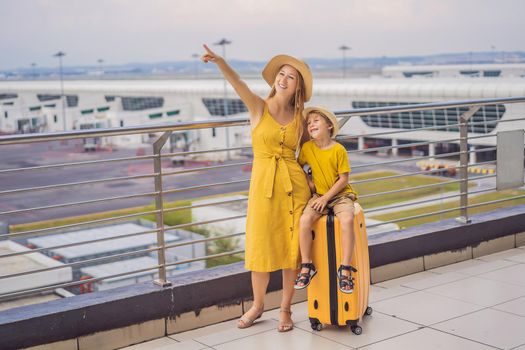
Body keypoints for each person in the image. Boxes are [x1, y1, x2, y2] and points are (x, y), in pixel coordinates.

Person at [201, 45, 313, 332]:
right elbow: (238, 83)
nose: (283, 79)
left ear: (297, 86)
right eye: (282, 74)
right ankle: (258, 305)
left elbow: (311, 155)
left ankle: (285, 310)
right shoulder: (258, 107)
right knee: (261, 249)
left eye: (291, 77)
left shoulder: (301, 118)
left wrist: (316, 186)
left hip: (294, 189)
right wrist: (221, 62)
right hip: (263, 187)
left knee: (292, 254)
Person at [293, 106, 359, 293]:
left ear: (329, 126)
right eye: (309, 123)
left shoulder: (339, 150)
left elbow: (344, 179)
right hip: (319, 196)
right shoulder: (307, 148)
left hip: (340, 195)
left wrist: (327, 198)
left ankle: (345, 268)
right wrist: (311, 183)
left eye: (316, 121)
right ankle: (307, 265)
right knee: (304, 221)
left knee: (347, 220)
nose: (311, 124)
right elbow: (299, 168)